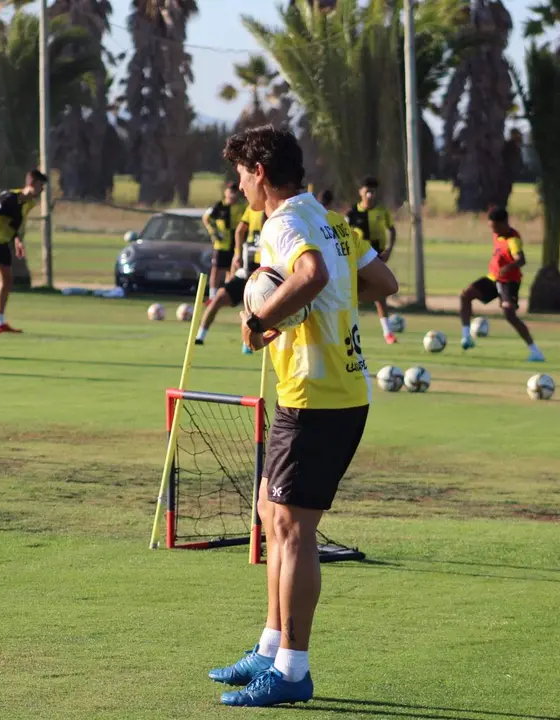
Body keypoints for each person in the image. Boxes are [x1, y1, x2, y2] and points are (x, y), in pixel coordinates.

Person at [209, 125, 398, 708]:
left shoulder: (284, 222)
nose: (238, 186)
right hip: (329, 389)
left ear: (259, 172)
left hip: (318, 395)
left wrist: (264, 318)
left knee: (293, 531)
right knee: (273, 515)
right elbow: (382, 280)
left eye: (241, 175)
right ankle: (270, 647)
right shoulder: (329, 216)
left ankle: (292, 670)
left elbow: (311, 275)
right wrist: (310, 312)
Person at [459, 207, 544, 362]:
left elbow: (521, 260)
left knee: (509, 315)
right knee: (466, 295)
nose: (494, 231)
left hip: (509, 282)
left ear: (505, 223)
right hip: (493, 278)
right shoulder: (497, 235)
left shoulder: (513, 240)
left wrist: (508, 267)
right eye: (492, 228)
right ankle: (466, 337)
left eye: (496, 227)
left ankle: (535, 352)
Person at [0, 169, 48, 334]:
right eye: (41, 185)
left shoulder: (29, 203)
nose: (43, 190)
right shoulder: (8, 199)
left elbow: (15, 223)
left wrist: (18, 241)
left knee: (7, 279)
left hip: (3, 240)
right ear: (31, 184)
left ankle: (0, 321)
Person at [194, 204, 266, 352]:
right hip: (246, 269)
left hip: (264, 271)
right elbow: (240, 231)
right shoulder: (251, 208)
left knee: (257, 308)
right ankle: (200, 336)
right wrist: (237, 253)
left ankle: (250, 343)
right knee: (218, 298)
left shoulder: (279, 210)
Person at [345, 177, 398, 344]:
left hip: (376, 258)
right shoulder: (351, 214)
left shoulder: (382, 211)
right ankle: (348, 332)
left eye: (373, 191)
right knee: (350, 293)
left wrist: (389, 249)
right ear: (360, 192)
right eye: (367, 190)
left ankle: (387, 332)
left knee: (380, 294)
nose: (370, 194)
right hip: (355, 259)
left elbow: (392, 230)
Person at [202, 181, 247, 301]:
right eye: (230, 191)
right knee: (216, 269)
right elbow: (206, 218)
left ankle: (226, 295)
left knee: (231, 269)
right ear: (225, 192)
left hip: (236, 243)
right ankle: (212, 296)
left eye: (235, 192)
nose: (232, 194)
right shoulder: (219, 206)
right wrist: (213, 232)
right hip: (221, 243)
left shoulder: (242, 206)